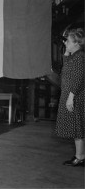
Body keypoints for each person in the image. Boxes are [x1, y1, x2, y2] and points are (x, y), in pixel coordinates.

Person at [55, 25, 84, 167]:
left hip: (75, 96)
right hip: (70, 94)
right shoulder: (74, 56)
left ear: (77, 43)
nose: (65, 42)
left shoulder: (81, 57)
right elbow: (65, 67)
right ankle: (80, 156)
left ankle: (80, 157)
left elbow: (79, 78)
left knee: (78, 128)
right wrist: (66, 51)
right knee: (76, 128)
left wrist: (71, 97)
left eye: (68, 41)